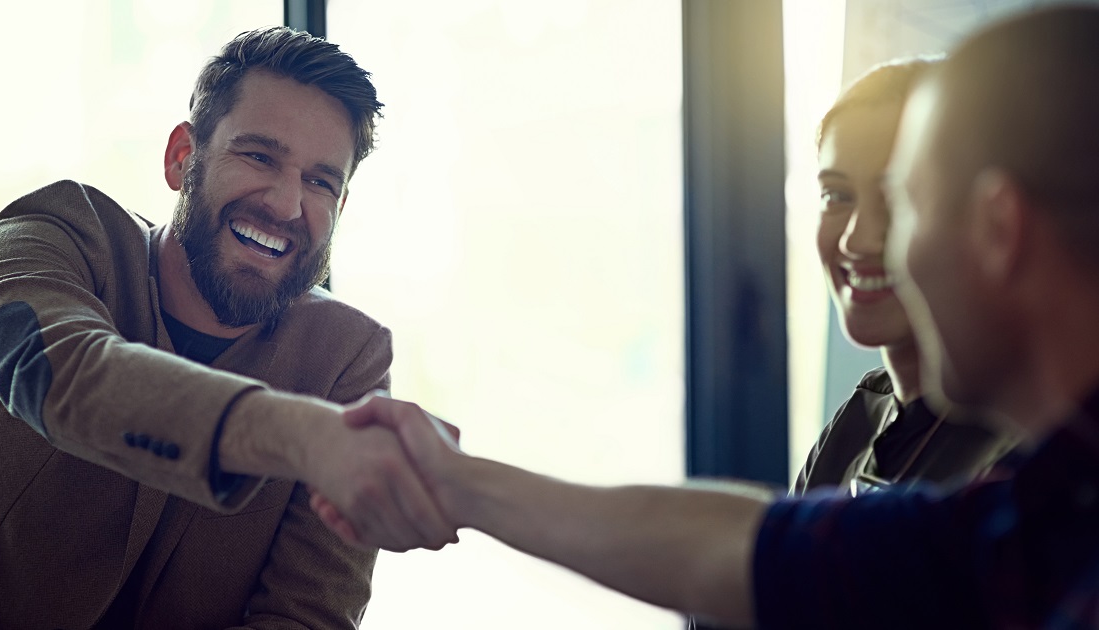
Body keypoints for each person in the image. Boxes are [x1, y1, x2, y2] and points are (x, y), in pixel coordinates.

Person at [316, 6, 1099, 628]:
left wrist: (451, 482)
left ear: (1000, 229)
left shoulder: (1026, 513)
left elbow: (741, 556)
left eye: (913, 203)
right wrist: (453, 481)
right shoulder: (1032, 516)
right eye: (837, 195)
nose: (875, 242)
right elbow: (750, 557)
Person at [0, 27, 454, 629]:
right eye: (259, 156)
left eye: (321, 181)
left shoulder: (349, 355)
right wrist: (304, 436)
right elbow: (61, 376)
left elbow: (307, 616)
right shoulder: (54, 232)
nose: (287, 204)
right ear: (181, 157)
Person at [795, 57, 1017, 495]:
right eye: (837, 195)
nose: (855, 241)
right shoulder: (860, 416)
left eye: (896, 198)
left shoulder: (1022, 450)